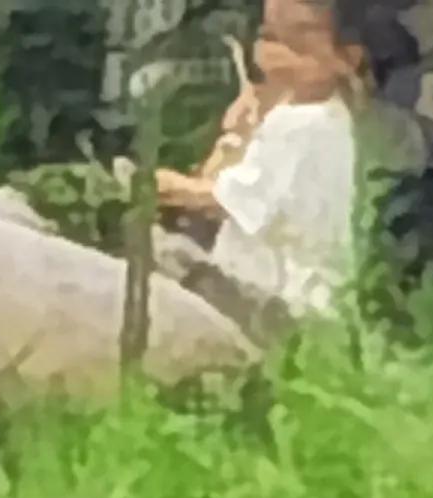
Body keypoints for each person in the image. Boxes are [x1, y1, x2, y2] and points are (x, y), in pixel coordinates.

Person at [156, 0, 369, 322]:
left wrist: (159, 184)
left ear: (348, 58)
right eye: (269, 36)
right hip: (306, 302)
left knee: (164, 259)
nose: (276, 52)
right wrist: (239, 132)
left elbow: (218, 199)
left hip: (283, 301)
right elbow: (222, 177)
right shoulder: (324, 117)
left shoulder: (304, 124)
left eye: (299, 40)